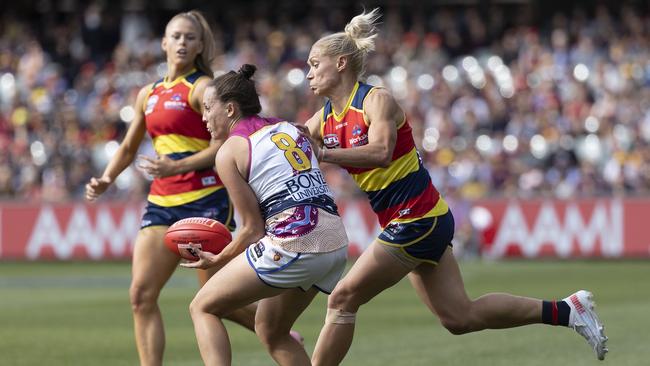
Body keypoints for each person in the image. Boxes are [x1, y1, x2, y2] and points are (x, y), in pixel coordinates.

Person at [302, 8, 608, 365]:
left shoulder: (374, 99)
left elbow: (382, 152)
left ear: (340, 63)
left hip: (415, 218)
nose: (308, 73)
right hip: (414, 220)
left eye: (314, 64)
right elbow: (290, 141)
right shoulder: (325, 117)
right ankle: (567, 310)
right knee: (460, 318)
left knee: (342, 298)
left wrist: (324, 153)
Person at [84, 11, 259, 366]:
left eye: (190, 38)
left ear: (199, 46)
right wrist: (107, 178)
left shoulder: (202, 88)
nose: (182, 42)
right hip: (162, 202)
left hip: (205, 200)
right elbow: (130, 147)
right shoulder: (148, 93)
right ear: (163, 43)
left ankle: (275, 329)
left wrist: (176, 165)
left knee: (214, 298)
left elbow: (224, 142)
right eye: (176, 36)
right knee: (140, 295)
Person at [180, 63, 348, 366]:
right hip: (335, 242)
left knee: (202, 306)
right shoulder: (288, 127)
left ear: (230, 109)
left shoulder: (230, 151)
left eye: (207, 108)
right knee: (271, 330)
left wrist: (218, 260)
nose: (203, 117)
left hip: (297, 240)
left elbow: (252, 230)